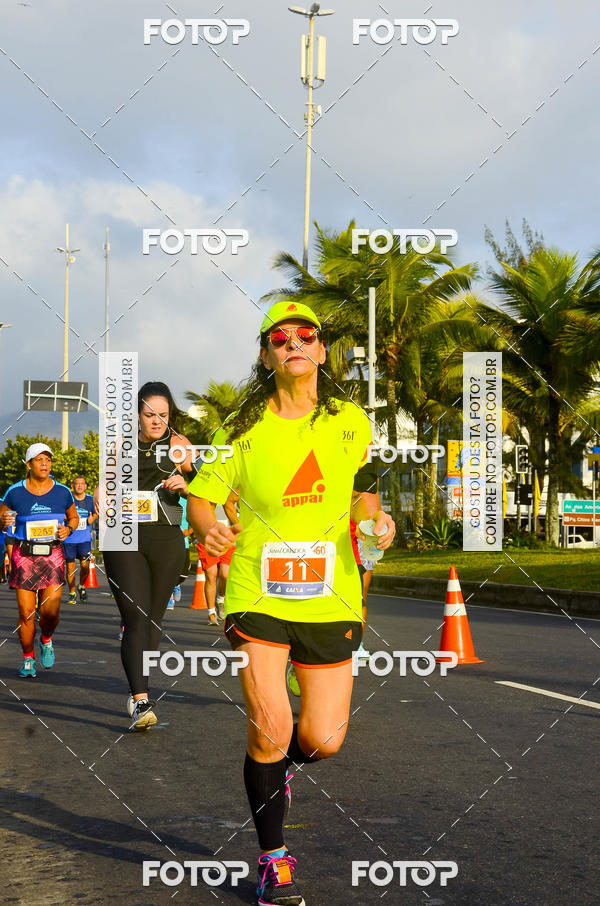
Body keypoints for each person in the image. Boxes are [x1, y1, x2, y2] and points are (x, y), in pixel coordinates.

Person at [187, 301, 395, 906]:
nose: (293, 344)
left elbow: (364, 499)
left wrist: (376, 524)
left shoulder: (351, 420)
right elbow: (203, 498)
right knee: (271, 727)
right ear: (265, 354)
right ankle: (274, 860)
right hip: (258, 590)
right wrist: (207, 527)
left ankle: (276, 770)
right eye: (279, 338)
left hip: (332, 595)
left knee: (324, 738)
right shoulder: (239, 427)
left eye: (306, 335)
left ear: (322, 350)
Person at [101, 382, 194, 730]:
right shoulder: (121, 446)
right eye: (149, 414)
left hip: (166, 539)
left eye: (163, 415)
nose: (157, 421)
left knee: (153, 621)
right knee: (137, 617)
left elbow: (206, 485)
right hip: (123, 538)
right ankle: (141, 700)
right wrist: (101, 486)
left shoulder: (179, 446)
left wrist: (188, 483)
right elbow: (106, 481)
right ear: (137, 416)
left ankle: (139, 675)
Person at [0, 444, 78, 677]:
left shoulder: (63, 491)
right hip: (24, 555)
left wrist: (69, 530)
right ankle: (27, 659)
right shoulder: (15, 492)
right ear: (28, 465)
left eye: (48, 460)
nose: (45, 463)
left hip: (52, 555)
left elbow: (72, 517)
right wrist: (4, 523)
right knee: (26, 613)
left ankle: (46, 639)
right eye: (39, 459)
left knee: (50, 614)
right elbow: (3, 519)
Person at [194, 490, 239, 625]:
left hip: (228, 540)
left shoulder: (234, 492)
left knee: (225, 574)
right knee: (211, 575)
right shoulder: (206, 492)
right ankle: (211, 613)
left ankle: (221, 599)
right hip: (208, 539)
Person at [64, 476, 98, 604]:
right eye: (77, 484)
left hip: (84, 539)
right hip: (69, 539)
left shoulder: (90, 499)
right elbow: (61, 514)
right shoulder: (68, 499)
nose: (79, 486)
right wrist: (69, 520)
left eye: (82, 484)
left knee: (85, 565)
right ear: (72, 486)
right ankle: (72, 592)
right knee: (70, 567)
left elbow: (96, 512)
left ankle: (81, 585)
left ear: (85, 486)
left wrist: (91, 520)